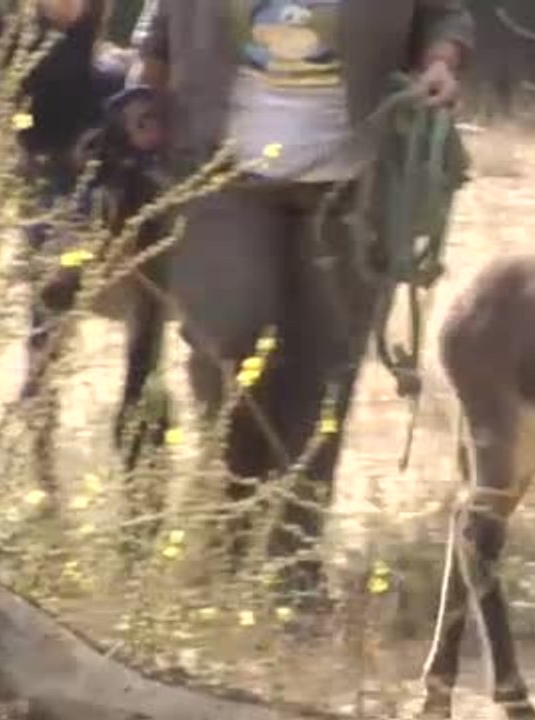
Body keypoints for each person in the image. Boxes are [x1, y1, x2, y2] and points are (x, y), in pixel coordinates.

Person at [131, 0, 473, 597]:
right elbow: (159, 33)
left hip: (350, 186)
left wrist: (441, 63)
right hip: (221, 172)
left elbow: (442, 14)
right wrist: (138, 96)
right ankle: (230, 539)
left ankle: (293, 568)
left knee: (322, 375)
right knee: (227, 343)